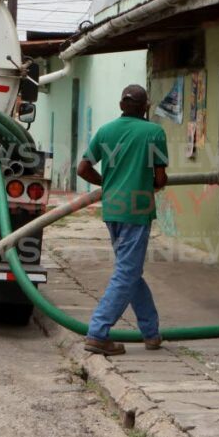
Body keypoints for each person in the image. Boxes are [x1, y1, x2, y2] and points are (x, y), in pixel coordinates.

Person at [76, 84, 168, 356]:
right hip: (137, 210)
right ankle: (97, 333)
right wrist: (153, 182)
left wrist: (108, 182)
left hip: (113, 209)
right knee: (127, 272)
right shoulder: (154, 132)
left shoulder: (105, 131)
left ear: (120, 106)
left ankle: (151, 333)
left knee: (131, 271)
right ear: (146, 107)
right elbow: (160, 178)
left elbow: (83, 169)